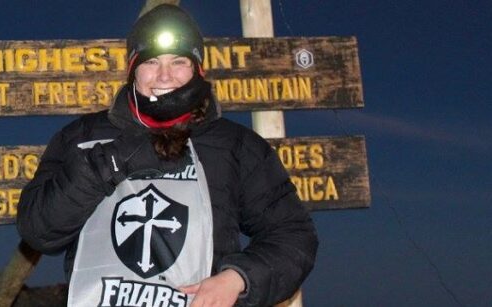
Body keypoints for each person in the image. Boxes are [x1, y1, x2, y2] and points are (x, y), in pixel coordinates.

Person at [16, 4, 318, 307]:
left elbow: (293, 235)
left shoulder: (235, 146)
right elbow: (38, 230)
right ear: (133, 71)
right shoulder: (83, 136)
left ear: (197, 70)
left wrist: (238, 278)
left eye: (178, 62)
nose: (164, 76)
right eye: (151, 62)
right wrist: (108, 164)